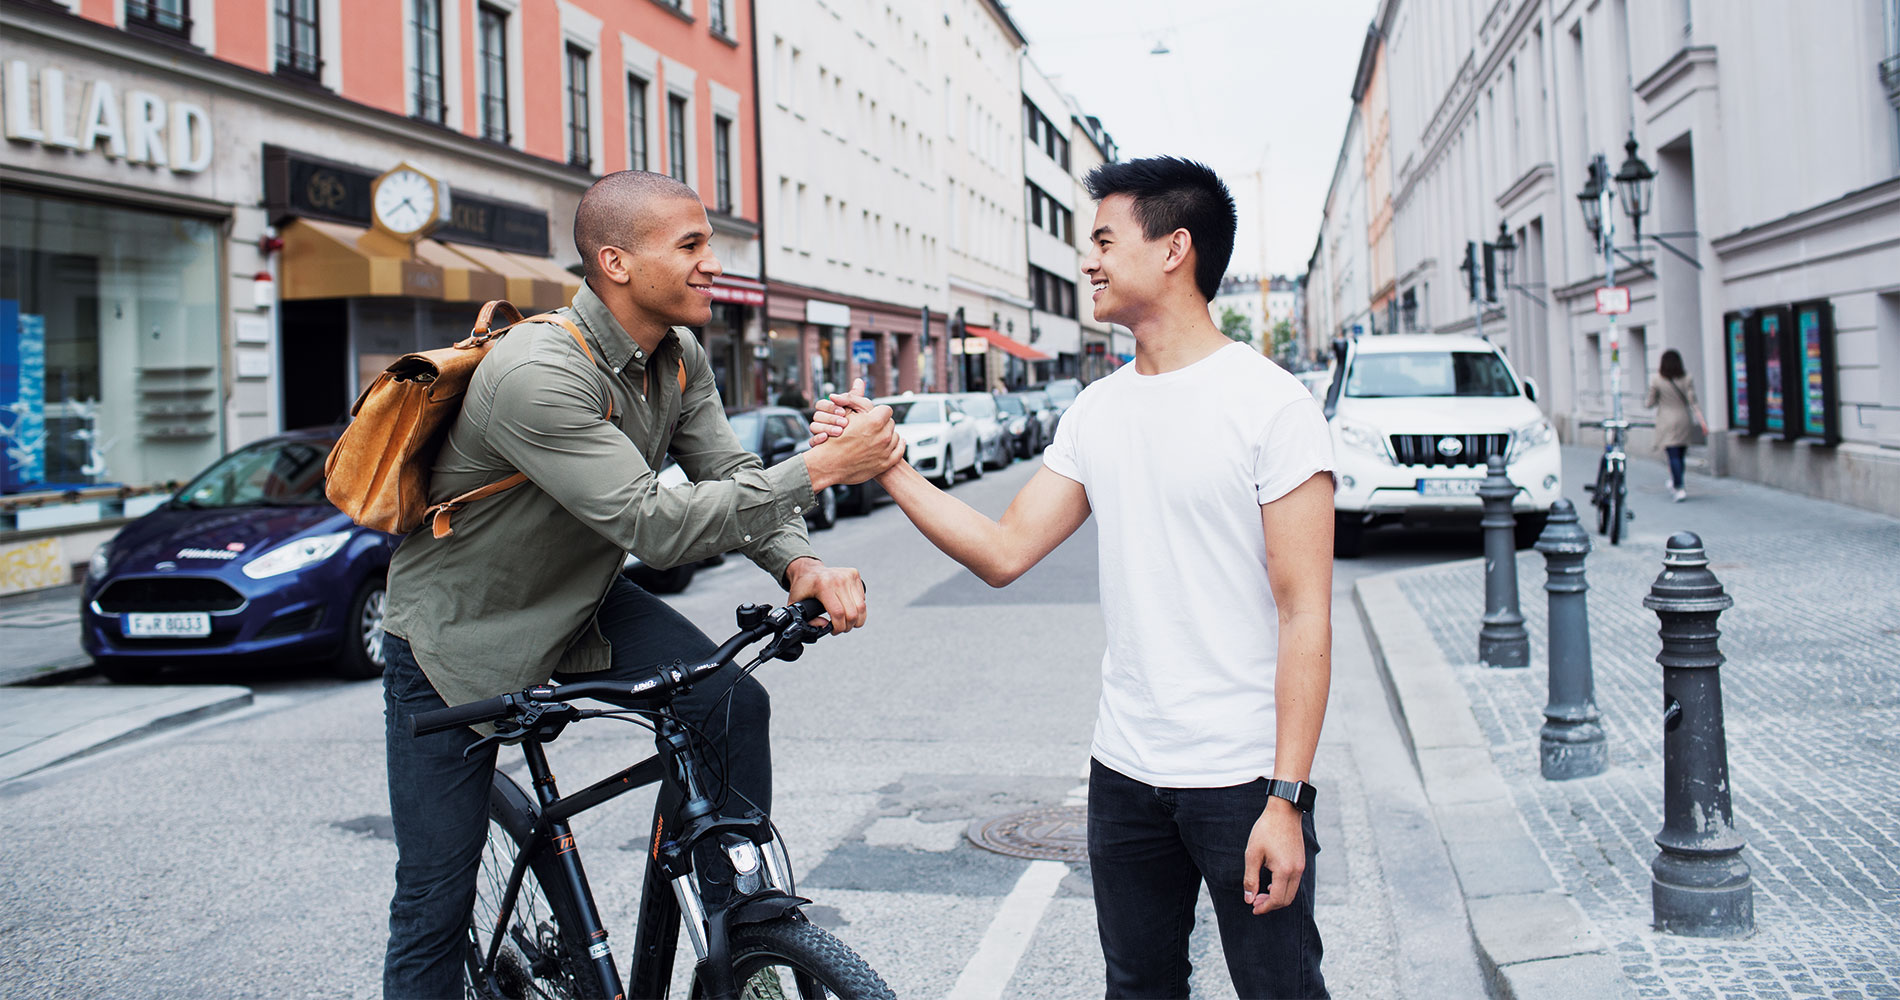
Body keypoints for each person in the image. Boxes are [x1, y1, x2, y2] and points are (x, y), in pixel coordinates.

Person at [814, 156, 1335, 999]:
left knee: (1280, 990)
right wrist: (890, 466)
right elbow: (1003, 550)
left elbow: (1306, 612)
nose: (1086, 261)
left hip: (1242, 777)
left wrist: (1286, 797)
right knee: (1137, 988)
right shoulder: (1099, 407)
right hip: (1125, 772)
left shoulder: (1271, 405)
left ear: (1175, 248)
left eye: (1102, 239)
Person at [377, 170, 904, 999]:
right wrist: (825, 466)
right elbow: (654, 528)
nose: (710, 263)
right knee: (434, 903)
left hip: (580, 604)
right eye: (690, 245)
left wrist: (800, 566)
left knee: (729, 702)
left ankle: (742, 943)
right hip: (457, 638)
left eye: (709, 243)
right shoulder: (537, 372)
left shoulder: (679, 355)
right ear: (616, 262)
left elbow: (728, 473)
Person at [1646, 348, 1705, 502]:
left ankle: (1679, 487)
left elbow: (1650, 402)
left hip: (1667, 420)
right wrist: (1702, 421)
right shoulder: (1687, 378)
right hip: (1684, 419)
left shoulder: (1657, 380)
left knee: (1672, 455)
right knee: (1680, 454)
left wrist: (1650, 400)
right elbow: (1693, 401)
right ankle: (1677, 482)